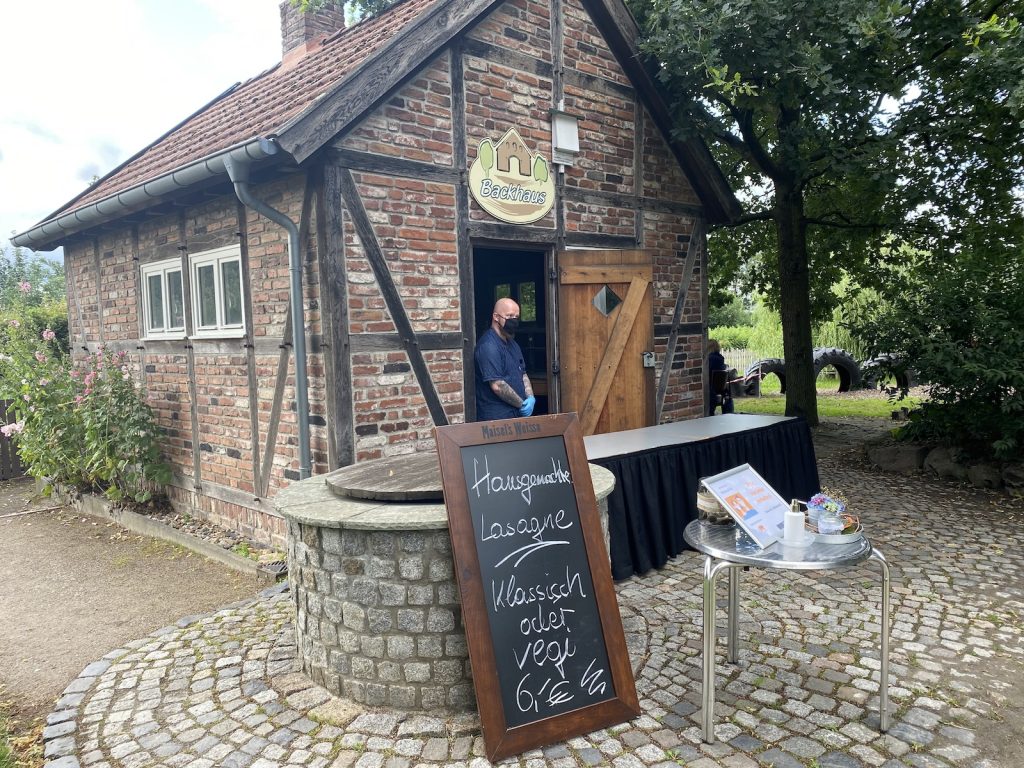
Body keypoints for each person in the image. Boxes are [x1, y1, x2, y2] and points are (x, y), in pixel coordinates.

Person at [474, 298, 535, 421]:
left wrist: (530, 398)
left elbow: (523, 374)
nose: (514, 320)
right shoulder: (488, 346)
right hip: (497, 420)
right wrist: (522, 405)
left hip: (516, 415)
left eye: (516, 317)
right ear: (496, 317)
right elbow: (497, 385)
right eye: (509, 316)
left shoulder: (513, 344)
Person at [707, 338, 734, 416]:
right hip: (720, 389)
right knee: (728, 394)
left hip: (710, 390)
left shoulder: (708, 360)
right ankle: (729, 414)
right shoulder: (720, 359)